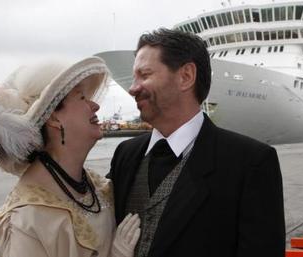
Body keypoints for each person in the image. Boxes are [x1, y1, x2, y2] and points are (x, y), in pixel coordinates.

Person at [107, 28, 285, 257]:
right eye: (134, 78)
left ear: (186, 76)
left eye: (145, 75)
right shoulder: (125, 154)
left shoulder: (250, 163)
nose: (132, 88)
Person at [0, 57, 141, 257]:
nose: (95, 106)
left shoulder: (96, 186)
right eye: (82, 98)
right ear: (54, 118)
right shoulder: (28, 220)